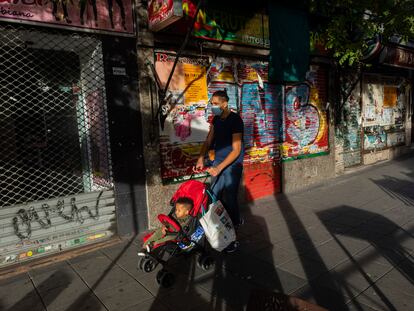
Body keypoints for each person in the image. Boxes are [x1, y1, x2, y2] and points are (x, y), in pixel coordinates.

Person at [194, 90, 244, 252]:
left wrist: (219, 167)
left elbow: (236, 150)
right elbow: (209, 140)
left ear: (224, 103)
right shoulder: (216, 119)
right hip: (218, 163)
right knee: (213, 198)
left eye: (215, 103)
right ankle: (218, 229)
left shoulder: (236, 120)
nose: (213, 106)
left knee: (229, 199)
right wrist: (201, 157)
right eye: (212, 103)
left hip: (232, 165)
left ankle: (234, 228)